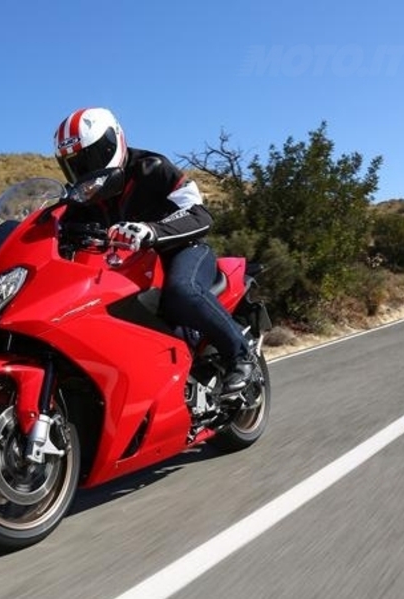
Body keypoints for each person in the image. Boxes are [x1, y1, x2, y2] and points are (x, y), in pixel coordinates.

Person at [53, 107, 255, 394]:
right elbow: (55, 228)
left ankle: (240, 355)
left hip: (181, 250)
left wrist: (152, 231)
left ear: (114, 141)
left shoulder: (152, 168)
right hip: (126, 267)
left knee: (182, 290)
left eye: (91, 158)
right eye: (75, 165)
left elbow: (198, 214)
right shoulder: (81, 199)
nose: (86, 171)